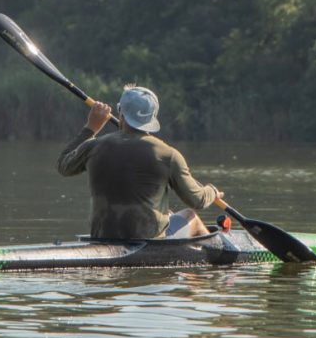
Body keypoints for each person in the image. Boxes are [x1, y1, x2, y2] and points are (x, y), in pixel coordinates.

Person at [57, 85, 223, 240]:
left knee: (169, 213)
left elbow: (64, 166)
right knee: (190, 216)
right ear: (153, 118)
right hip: (149, 241)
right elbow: (197, 200)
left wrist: (90, 129)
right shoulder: (169, 154)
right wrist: (212, 192)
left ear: (120, 113)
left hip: (102, 237)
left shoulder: (92, 146)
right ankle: (214, 262)